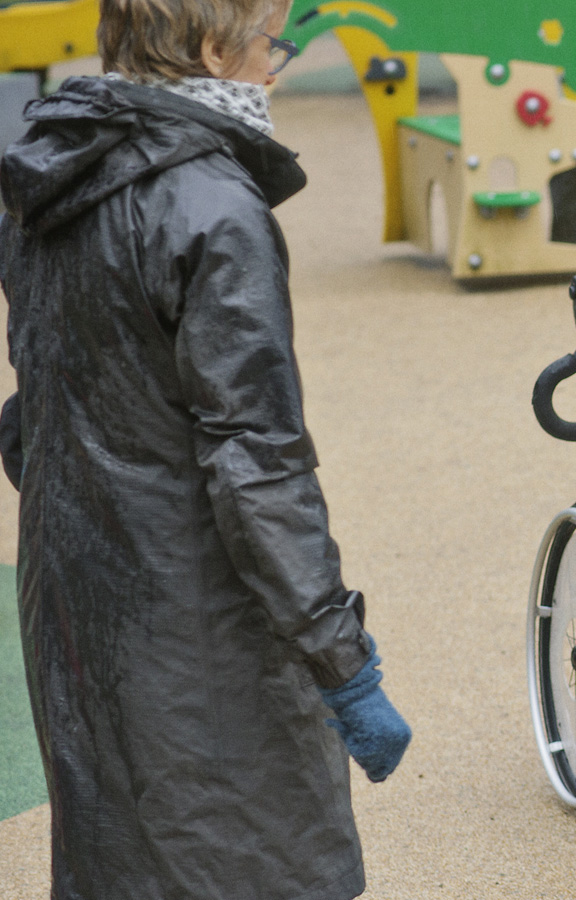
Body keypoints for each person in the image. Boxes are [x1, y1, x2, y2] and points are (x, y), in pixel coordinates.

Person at [0, 0, 410, 897]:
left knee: (119, 856)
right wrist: (341, 663)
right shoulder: (214, 206)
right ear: (212, 50)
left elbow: (38, 396)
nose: (281, 65)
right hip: (195, 607)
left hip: (75, 595)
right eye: (273, 42)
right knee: (249, 854)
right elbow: (256, 459)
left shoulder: (51, 171)